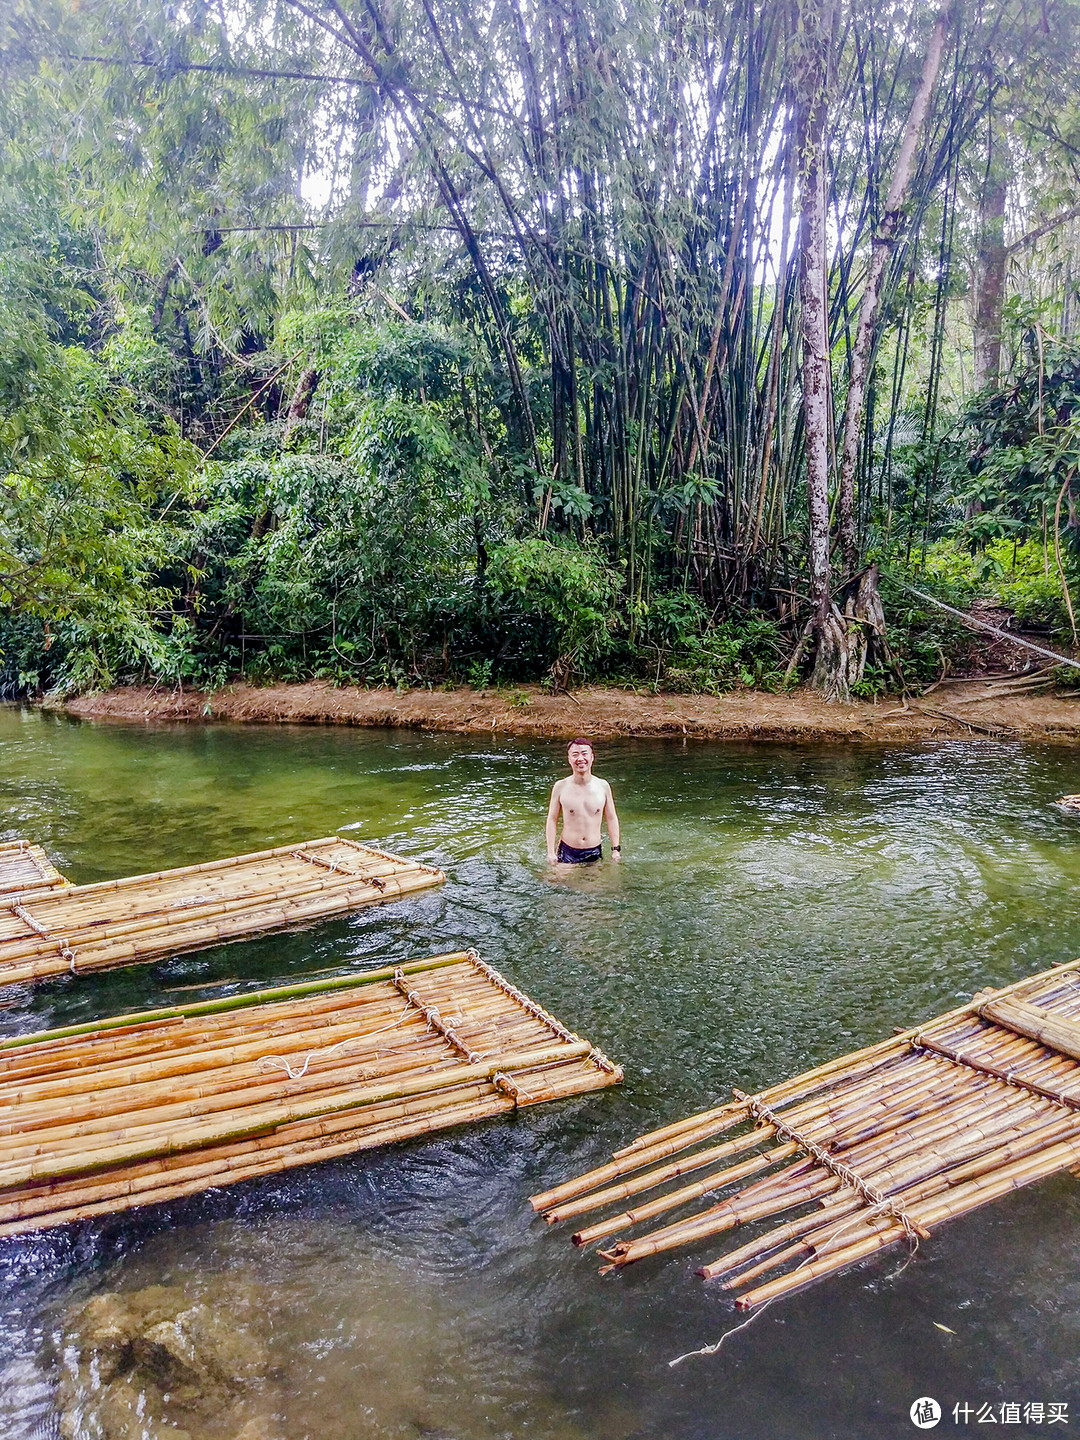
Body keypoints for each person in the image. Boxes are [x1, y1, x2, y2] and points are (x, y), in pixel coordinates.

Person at [546, 738, 621, 864]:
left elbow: (612, 818)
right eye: (575, 755)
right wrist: (550, 852)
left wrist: (615, 849)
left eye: (584, 754)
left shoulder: (603, 786)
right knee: (556, 882)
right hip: (568, 850)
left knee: (594, 883)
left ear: (592, 757)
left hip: (594, 850)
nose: (580, 758)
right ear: (569, 759)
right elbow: (552, 819)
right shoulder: (560, 786)